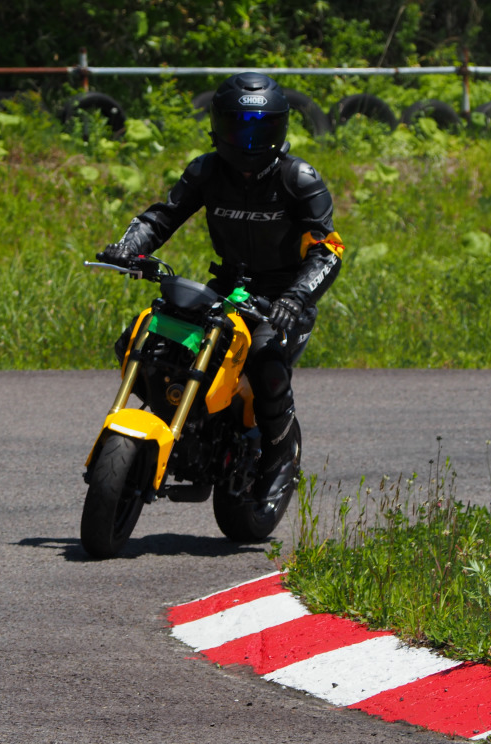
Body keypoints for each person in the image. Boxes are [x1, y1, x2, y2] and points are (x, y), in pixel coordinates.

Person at [97, 71, 344, 508]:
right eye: (238, 127)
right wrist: (128, 247)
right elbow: (163, 216)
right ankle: (186, 421)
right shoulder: (206, 170)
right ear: (217, 126)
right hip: (227, 289)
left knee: (265, 363)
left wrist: (296, 297)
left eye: (260, 129)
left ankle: (279, 456)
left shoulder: (299, 179)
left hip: (283, 300)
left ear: (280, 127)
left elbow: (327, 250)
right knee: (146, 339)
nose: (249, 141)